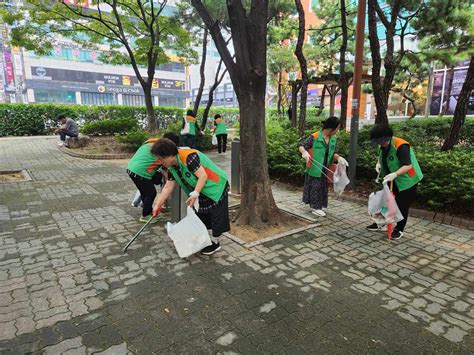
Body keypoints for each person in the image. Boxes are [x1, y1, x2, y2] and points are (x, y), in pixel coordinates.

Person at [151, 138, 230, 255]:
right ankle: (205, 239)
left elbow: (203, 176)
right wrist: (158, 205)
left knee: (216, 216)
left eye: (161, 158)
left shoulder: (188, 157)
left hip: (215, 187)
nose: (160, 161)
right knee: (201, 215)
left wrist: (195, 193)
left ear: (170, 155)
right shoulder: (172, 168)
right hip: (201, 190)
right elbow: (168, 187)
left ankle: (215, 242)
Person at [367, 125, 423, 240]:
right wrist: (379, 163)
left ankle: (399, 229)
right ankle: (382, 223)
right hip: (390, 178)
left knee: (401, 205)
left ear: (387, 138)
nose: (379, 144)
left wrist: (395, 174)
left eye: (380, 142)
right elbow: (382, 156)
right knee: (387, 202)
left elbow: (407, 166)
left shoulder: (401, 146)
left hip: (407, 181)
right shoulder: (382, 145)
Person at [298, 117, 349, 217]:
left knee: (323, 188)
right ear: (331, 128)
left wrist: (339, 158)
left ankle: (321, 205)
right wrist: (304, 153)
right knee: (315, 187)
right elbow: (301, 145)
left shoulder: (333, 139)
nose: (338, 131)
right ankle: (315, 207)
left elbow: (333, 153)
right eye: (337, 128)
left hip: (325, 168)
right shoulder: (315, 136)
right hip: (314, 167)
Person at [127, 132, 180, 223]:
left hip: (131, 169)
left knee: (145, 192)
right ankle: (145, 215)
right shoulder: (163, 150)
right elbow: (166, 170)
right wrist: (170, 182)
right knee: (150, 193)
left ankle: (149, 210)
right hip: (141, 172)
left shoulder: (153, 142)